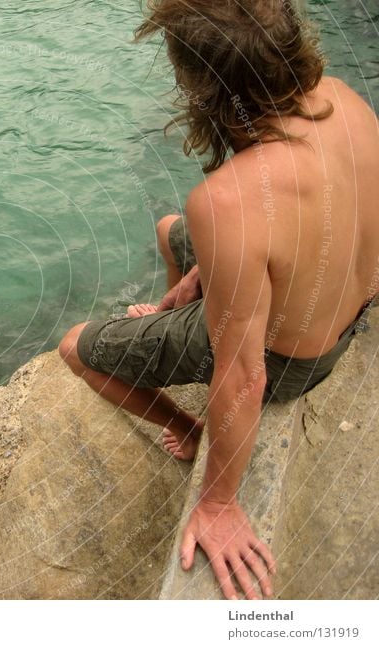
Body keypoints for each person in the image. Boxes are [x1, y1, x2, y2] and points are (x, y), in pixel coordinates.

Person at [59, 0, 379, 600]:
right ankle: (179, 307)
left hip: (293, 366)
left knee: (76, 349)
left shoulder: (226, 203)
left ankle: (184, 425)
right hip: (345, 308)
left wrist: (219, 502)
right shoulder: (346, 100)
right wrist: (216, 267)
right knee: (168, 230)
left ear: (202, 87)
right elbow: (317, 213)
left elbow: (243, 377)